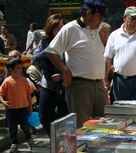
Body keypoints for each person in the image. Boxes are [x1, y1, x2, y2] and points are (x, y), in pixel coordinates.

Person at [45, 0, 107, 128]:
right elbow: (51, 51)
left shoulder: (96, 29)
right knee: (81, 127)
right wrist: (65, 71)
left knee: (103, 126)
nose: (101, 20)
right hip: (79, 86)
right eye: (99, 16)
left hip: (99, 85)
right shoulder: (70, 28)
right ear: (88, 13)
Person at [33, 14, 69, 137]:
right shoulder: (45, 42)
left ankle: (63, 143)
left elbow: (77, 65)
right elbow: (34, 59)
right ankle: (56, 139)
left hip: (65, 85)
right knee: (44, 117)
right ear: (51, 28)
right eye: (58, 28)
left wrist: (62, 75)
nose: (60, 30)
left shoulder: (69, 42)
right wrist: (50, 50)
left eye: (62, 27)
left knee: (65, 118)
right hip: (48, 85)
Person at [0, 58, 34, 152]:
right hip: (11, 109)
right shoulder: (7, 81)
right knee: (12, 128)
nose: (20, 70)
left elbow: (28, 94)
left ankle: (29, 139)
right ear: (11, 70)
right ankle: (14, 143)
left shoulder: (24, 80)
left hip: (23, 108)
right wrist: (3, 102)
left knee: (25, 126)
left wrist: (30, 106)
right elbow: (0, 94)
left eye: (20, 68)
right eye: (18, 68)